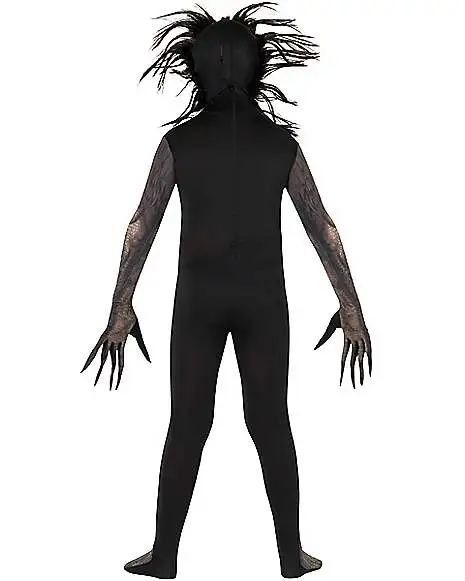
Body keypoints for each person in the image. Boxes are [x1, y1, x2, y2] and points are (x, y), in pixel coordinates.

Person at [81, 2, 372, 578]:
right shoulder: (280, 145)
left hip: (198, 301)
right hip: (264, 301)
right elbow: (323, 227)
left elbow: (141, 226)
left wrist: (120, 308)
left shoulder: (180, 143)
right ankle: (291, 556)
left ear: (198, 69)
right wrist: (352, 308)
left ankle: (165, 555)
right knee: (270, 422)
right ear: (255, 67)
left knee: (188, 422)